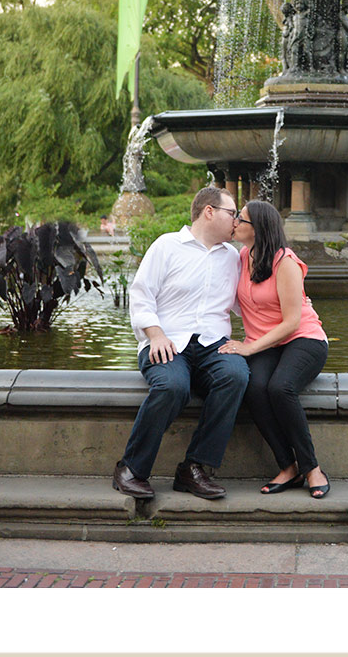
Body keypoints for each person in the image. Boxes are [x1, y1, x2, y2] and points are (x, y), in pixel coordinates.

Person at [115, 186, 248, 500]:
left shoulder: (233, 257)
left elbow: (249, 303)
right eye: (233, 213)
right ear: (209, 211)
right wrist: (156, 334)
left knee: (236, 375)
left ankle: (194, 468)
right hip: (167, 341)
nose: (237, 221)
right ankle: (131, 469)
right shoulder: (167, 246)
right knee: (173, 386)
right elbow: (141, 295)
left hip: (214, 344)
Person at [217, 201, 331, 499]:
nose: (234, 223)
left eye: (239, 219)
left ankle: (311, 467)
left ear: (258, 229)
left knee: (281, 388)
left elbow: (292, 321)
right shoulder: (242, 256)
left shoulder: (285, 262)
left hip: (303, 338)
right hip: (266, 342)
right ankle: (287, 466)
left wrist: (249, 347)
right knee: (254, 389)